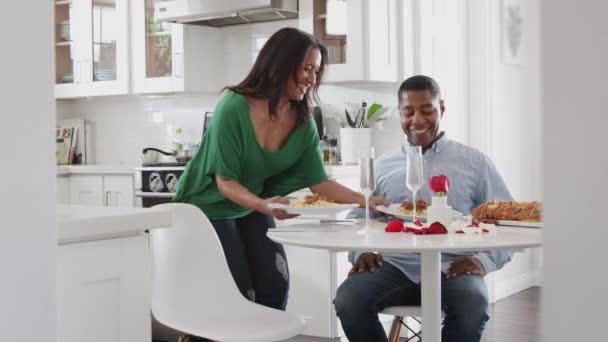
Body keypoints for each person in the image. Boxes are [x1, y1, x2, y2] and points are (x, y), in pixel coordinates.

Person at [172, 27, 389, 311]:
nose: (312, 79)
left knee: (276, 283)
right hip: (205, 206)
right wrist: (264, 204)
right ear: (281, 65)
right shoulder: (233, 107)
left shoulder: (302, 120)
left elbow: (319, 183)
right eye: (307, 68)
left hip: (251, 205)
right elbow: (225, 182)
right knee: (238, 292)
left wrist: (366, 201)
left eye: (316, 71)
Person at [333, 75, 513, 342]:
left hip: (453, 268)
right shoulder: (382, 165)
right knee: (348, 299)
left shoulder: (475, 163)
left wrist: (482, 261)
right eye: (409, 112)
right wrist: (360, 251)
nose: (417, 120)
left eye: (427, 110)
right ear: (400, 114)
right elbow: (358, 219)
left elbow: (506, 221)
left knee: (473, 305)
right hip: (394, 266)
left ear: (441, 108)